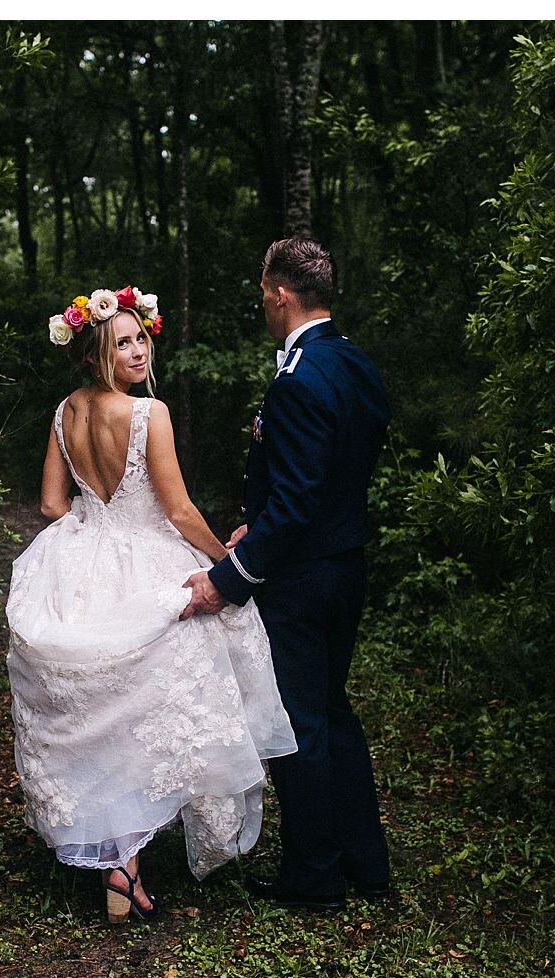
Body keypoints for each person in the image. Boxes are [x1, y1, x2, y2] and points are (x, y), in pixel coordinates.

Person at [6, 285, 297, 924]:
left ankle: (120, 864)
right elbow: (178, 508)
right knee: (153, 700)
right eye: (123, 342)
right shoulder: (148, 415)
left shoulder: (64, 412)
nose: (137, 351)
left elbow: (54, 505)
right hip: (146, 556)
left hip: (83, 558)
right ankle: (126, 862)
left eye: (141, 338)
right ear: (95, 353)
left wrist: (94, 516)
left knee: (103, 707)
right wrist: (225, 562)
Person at [181, 238, 392, 911]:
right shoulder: (355, 363)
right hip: (346, 563)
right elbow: (326, 479)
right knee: (334, 712)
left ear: (279, 292)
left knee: (300, 723)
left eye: (262, 293)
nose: (262, 303)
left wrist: (227, 577)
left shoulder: (299, 376)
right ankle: (367, 863)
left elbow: (300, 498)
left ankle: (316, 875)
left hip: (301, 578)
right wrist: (264, 520)